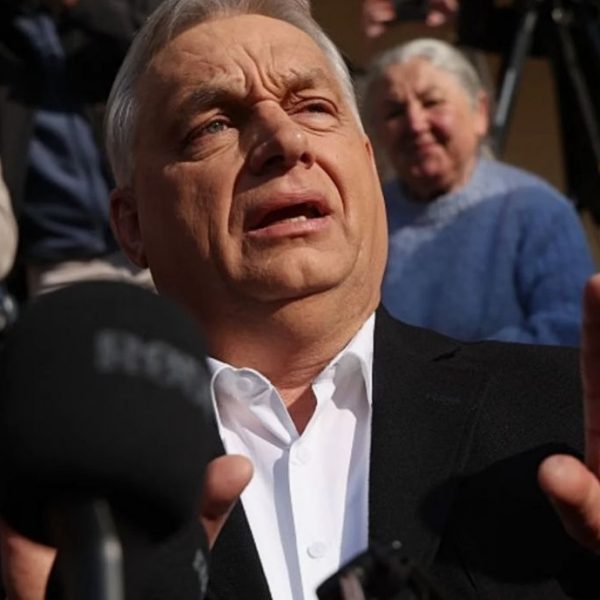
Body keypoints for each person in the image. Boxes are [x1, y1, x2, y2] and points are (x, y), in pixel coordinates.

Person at [2, 1, 600, 599]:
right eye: (213, 125)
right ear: (132, 225)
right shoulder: (62, 508)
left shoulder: (562, 419)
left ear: (369, 165)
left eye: (314, 107)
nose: (285, 140)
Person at [363, 38, 596, 345]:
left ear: (480, 113)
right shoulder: (367, 217)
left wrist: (452, 368)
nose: (416, 124)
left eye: (432, 102)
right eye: (394, 112)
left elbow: (569, 332)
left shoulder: (537, 209)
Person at [0, 0, 157, 297]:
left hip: (150, 233)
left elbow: (158, 47)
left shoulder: (105, 13)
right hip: (58, 261)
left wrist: (78, 6)